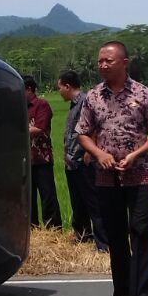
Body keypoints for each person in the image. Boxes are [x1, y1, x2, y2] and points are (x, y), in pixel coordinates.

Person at [75, 42, 148, 296]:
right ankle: (123, 295)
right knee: (116, 235)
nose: (102, 65)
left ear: (124, 62)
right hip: (106, 177)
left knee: (141, 231)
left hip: (140, 175)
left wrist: (136, 154)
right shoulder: (93, 97)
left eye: (108, 60)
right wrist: (98, 154)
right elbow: (83, 133)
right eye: (99, 61)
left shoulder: (143, 94)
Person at [57, 70, 107, 251]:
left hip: (83, 161)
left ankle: (103, 242)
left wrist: (89, 151)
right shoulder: (73, 104)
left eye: (60, 87)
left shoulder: (85, 101)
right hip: (72, 162)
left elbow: (95, 125)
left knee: (93, 201)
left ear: (67, 86)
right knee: (78, 201)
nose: (59, 91)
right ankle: (83, 235)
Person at [24, 75, 61, 229]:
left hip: (41, 158)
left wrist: (16, 131)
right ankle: (31, 227)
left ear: (29, 89)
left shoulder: (41, 105)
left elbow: (39, 128)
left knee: (47, 195)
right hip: (25, 159)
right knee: (28, 197)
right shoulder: (19, 107)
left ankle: (52, 228)